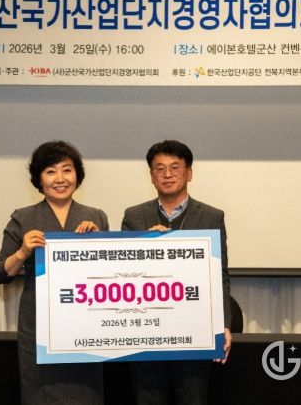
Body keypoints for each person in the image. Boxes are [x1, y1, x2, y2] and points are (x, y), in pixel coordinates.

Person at [0, 141, 108, 405]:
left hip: (85, 325)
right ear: (39, 179)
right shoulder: (23, 218)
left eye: (67, 170)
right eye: (50, 171)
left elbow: (107, 275)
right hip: (38, 326)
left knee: (86, 395)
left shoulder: (96, 217)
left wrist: (99, 243)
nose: (60, 179)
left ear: (77, 175)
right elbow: (0, 273)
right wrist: (22, 252)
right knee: (39, 395)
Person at [121, 140, 232, 405]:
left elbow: (220, 274)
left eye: (175, 167)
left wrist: (224, 325)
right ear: (151, 176)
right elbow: (124, 274)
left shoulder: (212, 216)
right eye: (159, 169)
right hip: (147, 331)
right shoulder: (134, 216)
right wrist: (144, 246)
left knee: (193, 397)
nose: (167, 174)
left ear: (189, 173)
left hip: (194, 328)